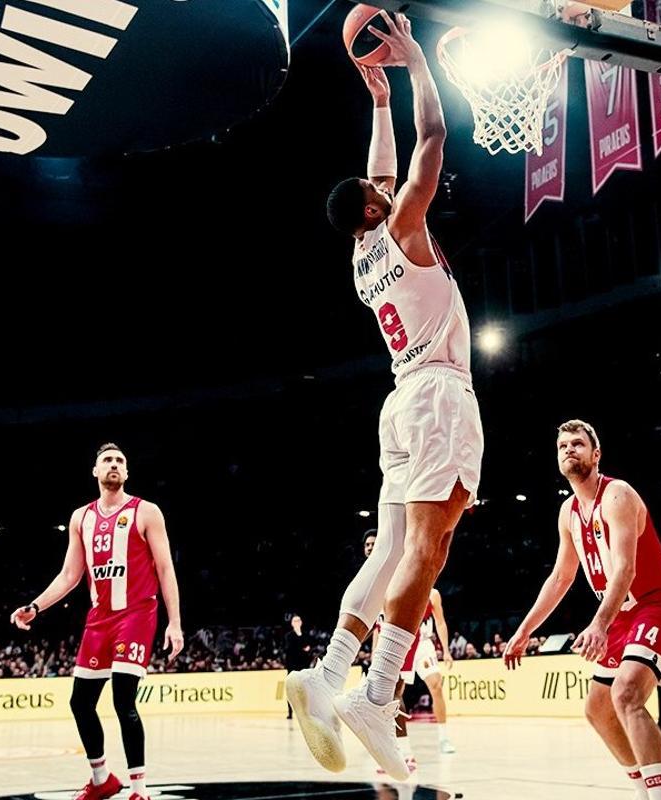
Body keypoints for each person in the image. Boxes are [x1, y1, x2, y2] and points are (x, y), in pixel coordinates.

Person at [286, 12, 482, 781]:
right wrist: (418, 68)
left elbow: (380, 168)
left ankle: (330, 674)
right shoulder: (399, 223)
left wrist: (375, 101)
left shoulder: (364, 253)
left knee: (394, 548)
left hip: (399, 401)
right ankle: (377, 691)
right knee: (428, 549)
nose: (383, 185)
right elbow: (431, 143)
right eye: (377, 190)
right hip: (437, 395)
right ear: (374, 207)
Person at [503, 421, 661, 800]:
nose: (569, 449)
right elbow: (560, 578)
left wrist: (598, 624)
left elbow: (625, 568)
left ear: (596, 454)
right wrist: (523, 631)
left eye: (578, 444)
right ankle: (642, 790)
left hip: (657, 604)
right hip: (620, 615)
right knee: (598, 709)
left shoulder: (617, 494)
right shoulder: (567, 511)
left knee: (626, 694)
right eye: (562, 446)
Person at [10, 443, 184, 800]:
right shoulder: (81, 518)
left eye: (120, 460)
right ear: (95, 471)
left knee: (123, 700)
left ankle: (139, 790)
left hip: (137, 612)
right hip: (99, 618)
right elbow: (69, 575)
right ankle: (102, 778)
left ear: (127, 472)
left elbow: (166, 569)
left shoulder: (146, 511)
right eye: (107, 460)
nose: (114, 464)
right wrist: (35, 606)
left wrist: (175, 622)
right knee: (80, 703)